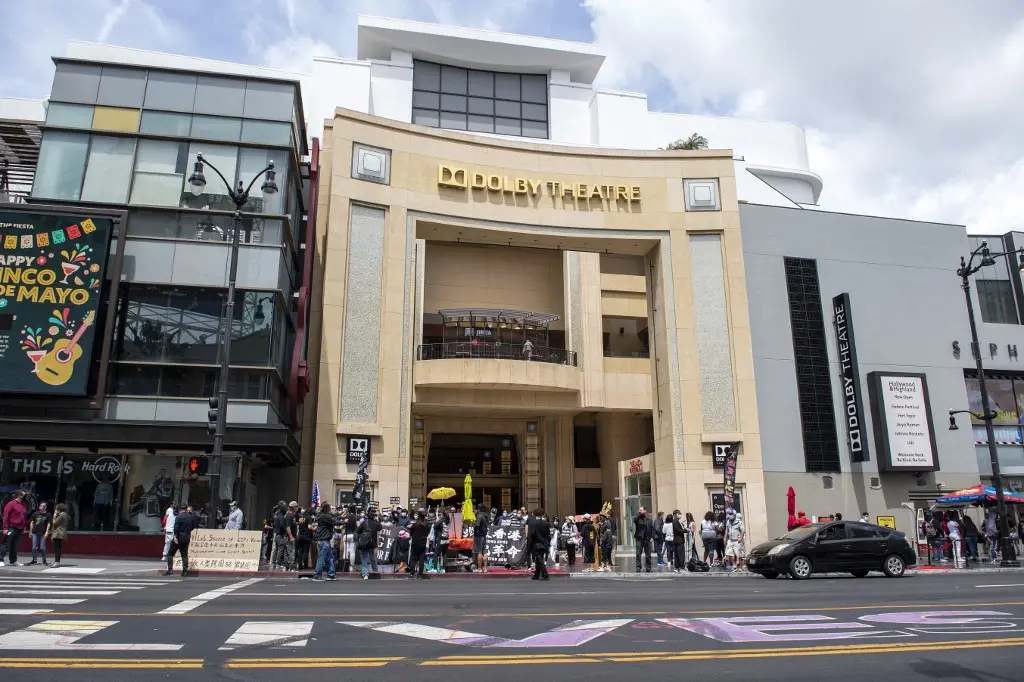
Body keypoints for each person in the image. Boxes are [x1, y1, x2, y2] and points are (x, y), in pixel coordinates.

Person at [165, 504, 195, 576]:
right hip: (186, 538)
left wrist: (175, 537)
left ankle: (170, 570)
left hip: (178, 538)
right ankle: (184, 571)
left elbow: (176, 528)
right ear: (186, 508)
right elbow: (193, 526)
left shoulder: (178, 517)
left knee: (170, 553)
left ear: (180, 509)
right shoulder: (190, 517)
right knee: (184, 555)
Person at [0, 491, 29, 567]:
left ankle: (13, 561)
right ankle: (0, 559)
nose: (25, 496)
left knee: (15, 545)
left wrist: (25, 526)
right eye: (24, 494)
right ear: (19, 495)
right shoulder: (11, 504)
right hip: (11, 527)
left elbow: (24, 516)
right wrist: (5, 528)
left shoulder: (23, 505)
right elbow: (6, 516)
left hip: (19, 528)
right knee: (6, 543)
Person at [311, 502, 338, 581]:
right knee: (322, 558)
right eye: (329, 508)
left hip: (324, 540)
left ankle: (331, 574)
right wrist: (345, 522)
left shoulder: (320, 515)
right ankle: (317, 575)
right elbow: (334, 521)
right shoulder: (325, 516)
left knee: (329, 558)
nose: (330, 509)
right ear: (326, 508)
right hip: (324, 540)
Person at [356, 508, 380, 579]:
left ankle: (365, 574)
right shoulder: (375, 522)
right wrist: (378, 519)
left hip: (364, 543)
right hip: (372, 543)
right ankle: (375, 570)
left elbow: (358, 531)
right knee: (372, 557)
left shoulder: (364, 522)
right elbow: (380, 528)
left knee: (364, 558)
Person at [27, 502, 52, 566]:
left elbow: (49, 524)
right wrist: (30, 531)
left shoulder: (48, 514)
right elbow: (32, 522)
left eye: (43, 506)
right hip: (35, 533)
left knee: (42, 547)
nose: (41, 507)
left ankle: (44, 560)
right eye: (41, 505)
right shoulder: (35, 513)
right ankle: (34, 560)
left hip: (43, 533)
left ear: (46, 507)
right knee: (34, 547)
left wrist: (47, 532)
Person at [529, 508, 551, 580]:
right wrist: (547, 543)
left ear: (535, 514)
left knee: (540, 560)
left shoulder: (533, 523)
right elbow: (548, 534)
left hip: (536, 544)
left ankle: (545, 575)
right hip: (544, 543)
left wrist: (529, 545)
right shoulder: (546, 523)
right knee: (539, 559)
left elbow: (532, 534)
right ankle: (536, 575)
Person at [408, 509, 430, 579]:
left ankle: (412, 574)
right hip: (422, 543)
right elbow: (427, 533)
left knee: (413, 558)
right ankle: (420, 574)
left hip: (415, 543)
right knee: (421, 558)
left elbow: (411, 533)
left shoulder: (415, 524)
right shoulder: (426, 524)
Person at [47, 503, 69, 568]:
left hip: (58, 532)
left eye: (56, 508)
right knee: (58, 547)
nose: (56, 509)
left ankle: (57, 562)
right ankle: (57, 561)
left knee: (57, 547)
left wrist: (54, 516)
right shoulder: (65, 514)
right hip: (62, 531)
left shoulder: (61, 515)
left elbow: (55, 523)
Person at [632, 507, 653, 572]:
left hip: (647, 538)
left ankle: (648, 567)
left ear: (645, 511)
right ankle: (638, 567)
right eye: (639, 510)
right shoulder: (637, 518)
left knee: (648, 554)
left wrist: (652, 537)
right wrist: (639, 514)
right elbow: (634, 520)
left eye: (641, 510)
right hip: (639, 538)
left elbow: (652, 528)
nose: (640, 511)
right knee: (638, 553)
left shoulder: (649, 519)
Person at [473, 505, 489, 573]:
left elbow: (477, 525)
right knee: (484, 552)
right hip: (484, 536)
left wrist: (473, 522)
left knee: (479, 552)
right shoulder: (486, 515)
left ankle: (479, 568)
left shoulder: (479, 516)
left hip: (479, 536)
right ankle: (485, 568)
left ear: (479, 509)